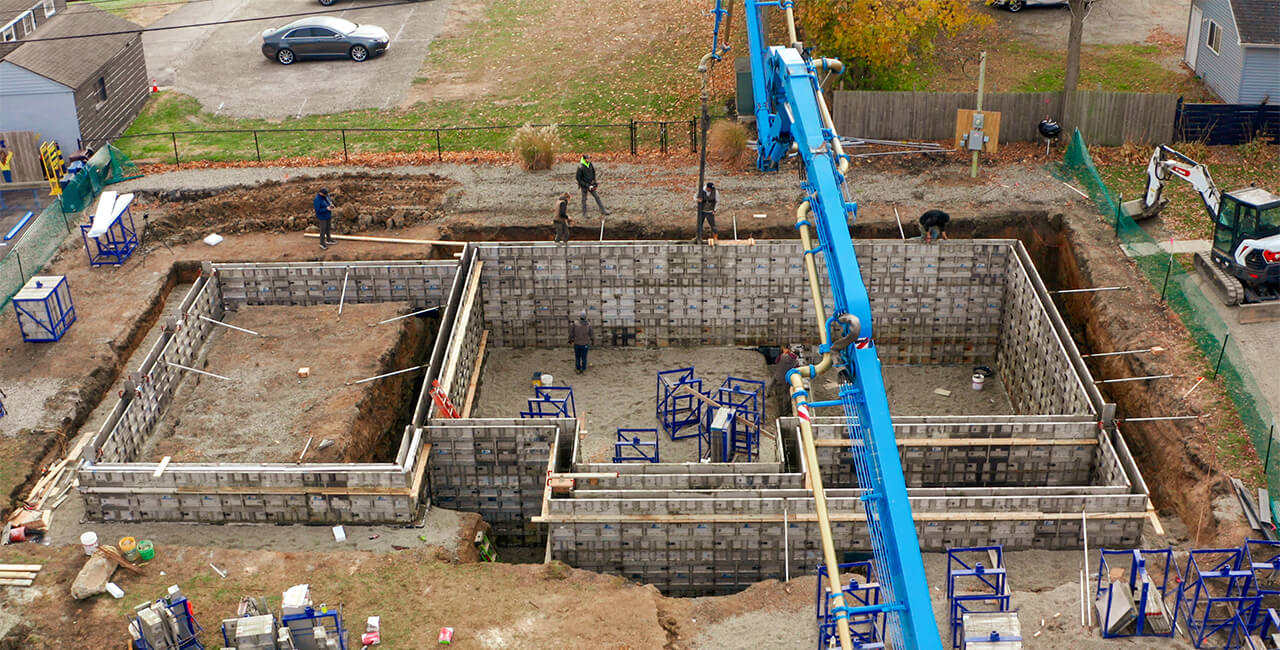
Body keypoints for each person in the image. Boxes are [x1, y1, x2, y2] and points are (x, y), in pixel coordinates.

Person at [771, 345, 801, 415]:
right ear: (797, 355)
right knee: (786, 394)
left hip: (778, 374)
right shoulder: (795, 362)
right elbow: (797, 370)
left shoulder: (784, 356)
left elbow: (776, 361)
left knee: (772, 382)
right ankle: (785, 411)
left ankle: (767, 393)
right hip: (785, 379)